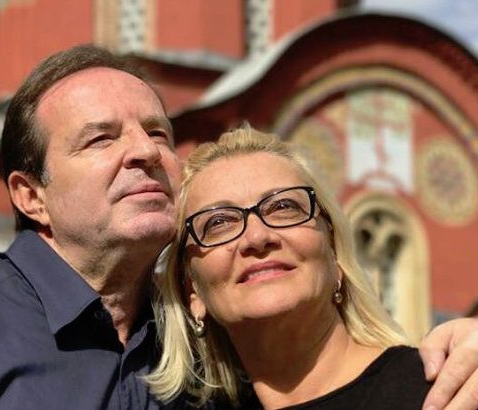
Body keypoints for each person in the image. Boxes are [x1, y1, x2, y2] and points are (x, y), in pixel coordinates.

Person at [0, 45, 478, 409]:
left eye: (158, 133)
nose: (144, 152)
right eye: (101, 138)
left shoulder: (200, 354)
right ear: (30, 195)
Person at [148, 125, 438, 408]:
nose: (257, 237)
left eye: (284, 207)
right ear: (193, 292)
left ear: (334, 254)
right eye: (219, 222)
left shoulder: (445, 392)